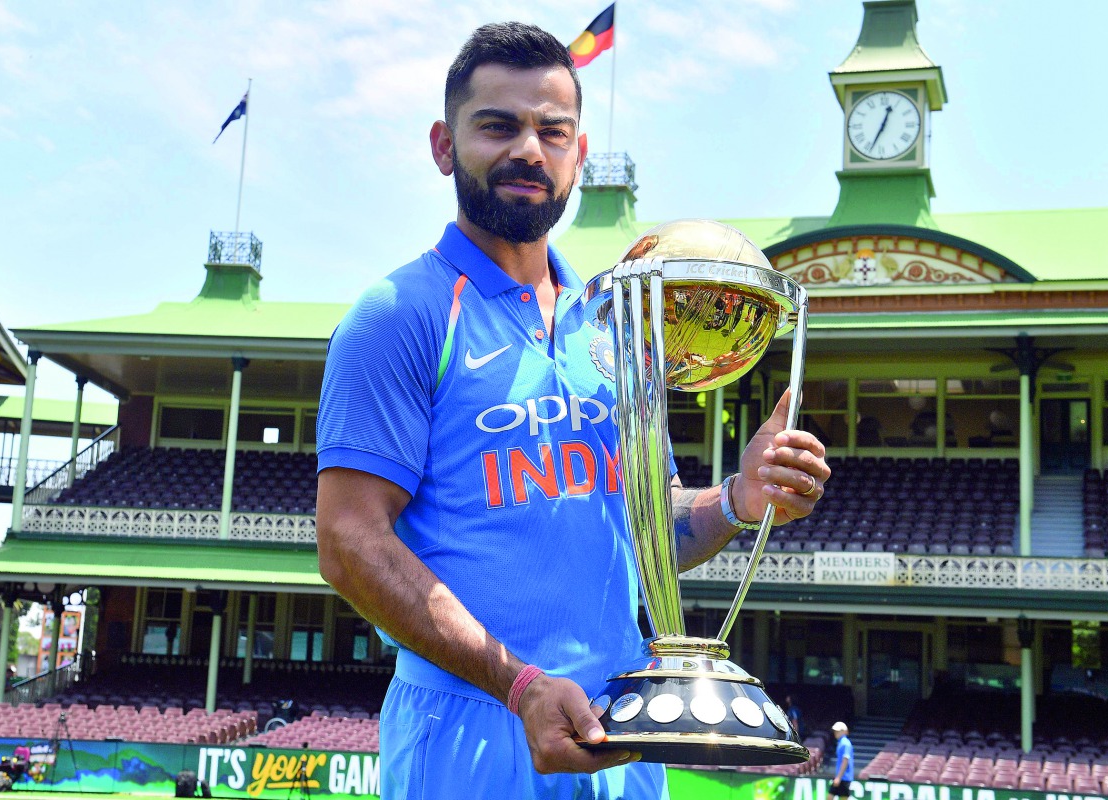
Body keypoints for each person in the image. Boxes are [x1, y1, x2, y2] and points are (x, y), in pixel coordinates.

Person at [314, 21, 831, 800]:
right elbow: (348, 541)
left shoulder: (616, 327)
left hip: (623, 728)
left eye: (552, 131)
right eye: (498, 125)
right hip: (472, 734)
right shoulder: (399, 314)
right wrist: (519, 686)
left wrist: (734, 501)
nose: (529, 149)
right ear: (443, 146)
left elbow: (642, 527)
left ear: (578, 157)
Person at [831, 721, 854, 797]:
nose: (835, 733)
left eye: (838, 731)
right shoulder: (841, 742)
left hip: (844, 778)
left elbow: (845, 761)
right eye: (835, 731)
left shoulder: (845, 743)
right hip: (840, 777)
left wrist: (838, 777)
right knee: (830, 797)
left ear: (844, 731)